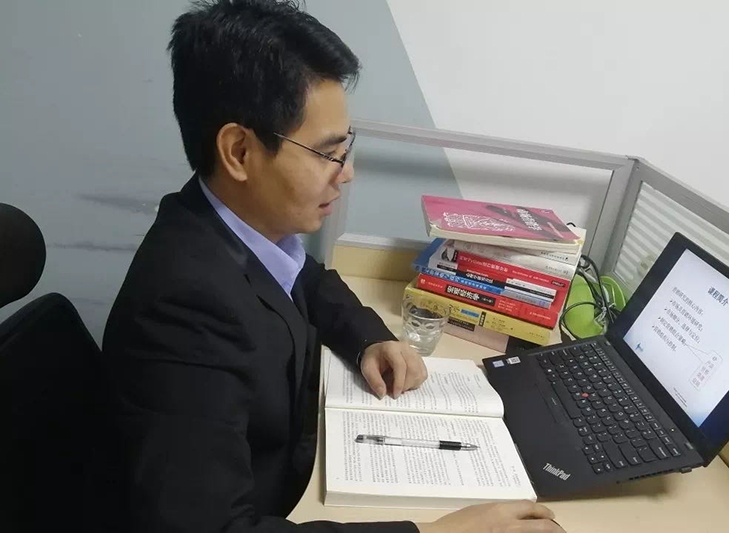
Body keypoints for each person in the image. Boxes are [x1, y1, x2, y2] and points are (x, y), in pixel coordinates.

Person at [102, 1, 565, 532]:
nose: (346, 174)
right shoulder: (184, 308)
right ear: (239, 152)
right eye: (328, 153)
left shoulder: (237, 225)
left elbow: (308, 279)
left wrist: (370, 338)